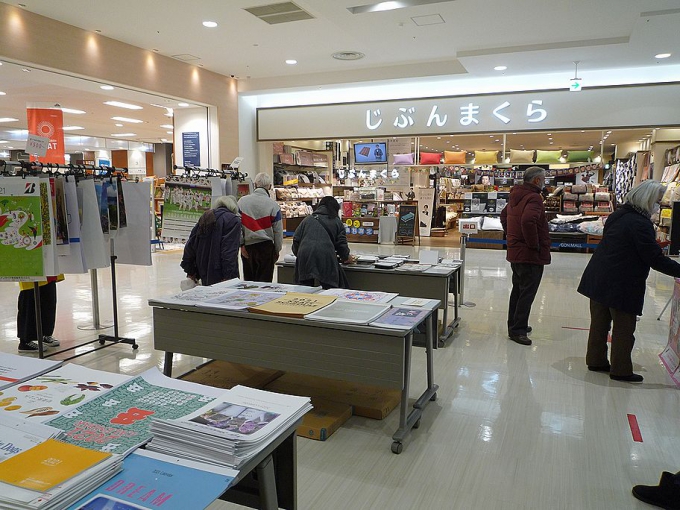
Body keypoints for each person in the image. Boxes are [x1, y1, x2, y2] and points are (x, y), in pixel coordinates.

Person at [578, 180, 680, 382]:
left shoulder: (618, 215)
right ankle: (621, 370)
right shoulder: (640, 223)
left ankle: (596, 360)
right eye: (657, 201)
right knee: (624, 328)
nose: (659, 206)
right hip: (622, 282)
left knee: (599, 324)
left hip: (599, 276)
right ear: (647, 199)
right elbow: (653, 258)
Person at [500, 166, 551, 346]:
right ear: (537, 180)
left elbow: (504, 215)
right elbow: (528, 220)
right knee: (527, 292)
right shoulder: (534, 197)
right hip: (529, 254)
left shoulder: (516, 195)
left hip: (516, 251)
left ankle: (515, 324)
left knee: (518, 290)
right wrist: (533, 244)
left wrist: (511, 236)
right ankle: (518, 330)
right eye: (543, 179)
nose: (545, 182)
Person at [292, 196, 356, 289]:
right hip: (325, 256)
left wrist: (300, 254)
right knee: (330, 287)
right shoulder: (336, 222)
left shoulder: (307, 219)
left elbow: (296, 239)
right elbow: (341, 244)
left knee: (304, 289)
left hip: (305, 255)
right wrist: (346, 257)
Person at [181, 195, 241, 286]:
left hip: (203, 270)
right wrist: (228, 276)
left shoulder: (205, 217)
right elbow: (229, 251)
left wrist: (190, 270)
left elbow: (190, 245)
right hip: (221, 273)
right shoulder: (233, 220)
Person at [237, 173, 283, 282]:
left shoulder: (242, 202)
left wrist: (241, 245)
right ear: (270, 187)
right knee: (265, 284)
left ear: (255, 184)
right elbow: (278, 231)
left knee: (249, 283)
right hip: (266, 248)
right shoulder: (273, 205)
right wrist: (277, 250)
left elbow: (238, 226)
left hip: (248, 247)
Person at [17, 275, 63, 353]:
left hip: (48, 272)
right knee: (30, 301)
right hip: (31, 271)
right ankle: (25, 342)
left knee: (48, 300)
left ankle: (45, 334)